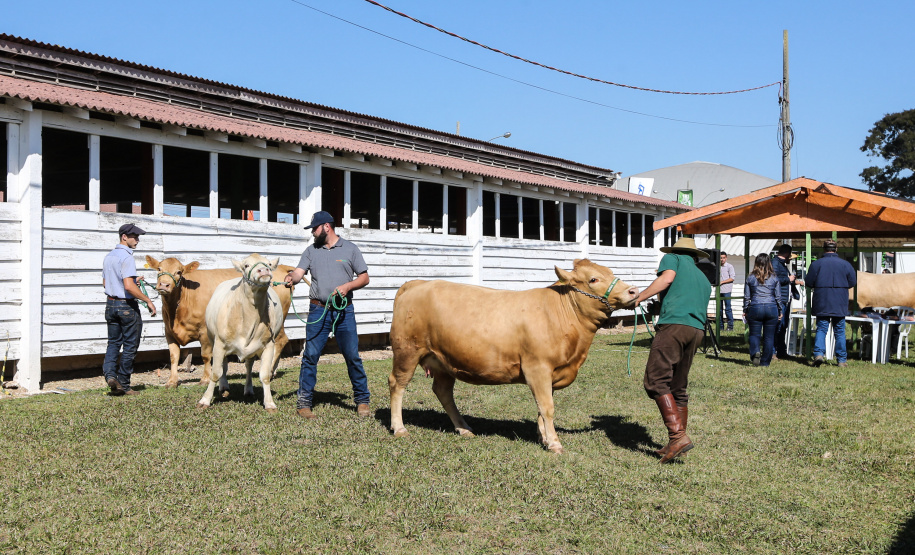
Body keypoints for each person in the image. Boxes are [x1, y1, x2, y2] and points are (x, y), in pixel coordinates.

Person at [285, 211, 371, 419]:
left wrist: (347, 286)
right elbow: (299, 272)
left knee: (352, 356)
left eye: (314, 228)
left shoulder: (350, 249)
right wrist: (292, 278)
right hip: (318, 310)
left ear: (326, 227)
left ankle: (362, 401)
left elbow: (364, 277)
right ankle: (304, 403)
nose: (313, 233)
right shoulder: (311, 251)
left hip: (344, 311)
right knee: (310, 356)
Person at [635, 237, 711, 463]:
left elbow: (667, 279)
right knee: (678, 386)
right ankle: (675, 442)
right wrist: (660, 306)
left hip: (674, 327)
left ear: (676, 252)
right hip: (696, 330)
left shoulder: (672, 258)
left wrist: (639, 297)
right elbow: (686, 300)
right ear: (696, 257)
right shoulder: (702, 277)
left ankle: (678, 437)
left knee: (656, 380)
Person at [102, 223, 157, 396]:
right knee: (130, 347)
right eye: (135, 237)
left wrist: (134, 280)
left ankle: (111, 376)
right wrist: (147, 300)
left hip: (110, 304)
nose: (138, 240)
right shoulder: (127, 257)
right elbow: (128, 286)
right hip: (126, 306)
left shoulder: (109, 256)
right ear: (124, 237)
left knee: (113, 343)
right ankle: (124, 385)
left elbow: (106, 283)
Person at [806, 240, 857, 368]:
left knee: (822, 328)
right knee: (839, 331)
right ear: (836, 249)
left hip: (822, 301)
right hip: (839, 302)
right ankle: (841, 360)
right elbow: (852, 282)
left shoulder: (816, 264)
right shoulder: (845, 264)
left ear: (824, 249)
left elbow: (809, 282)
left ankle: (818, 354)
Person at [743, 253, 783, 367]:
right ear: (769, 263)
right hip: (771, 307)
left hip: (755, 306)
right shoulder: (774, 277)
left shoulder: (750, 277)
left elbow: (747, 296)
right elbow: (778, 297)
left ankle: (755, 351)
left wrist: (745, 309)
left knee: (754, 334)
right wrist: (780, 311)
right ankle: (765, 362)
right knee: (769, 337)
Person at [772, 244, 803, 359]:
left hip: (786, 298)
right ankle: (773, 351)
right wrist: (788, 279)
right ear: (787, 254)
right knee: (777, 326)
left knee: (783, 326)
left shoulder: (782, 265)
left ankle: (781, 351)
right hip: (780, 299)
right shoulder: (775, 263)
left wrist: (792, 281)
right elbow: (772, 280)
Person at [718, 252, 736, 331]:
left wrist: (722, 282)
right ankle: (721, 327)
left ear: (726, 258)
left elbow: (732, 278)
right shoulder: (718, 267)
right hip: (719, 291)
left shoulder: (729, 266)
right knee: (719, 309)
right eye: (721, 258)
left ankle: (730, 326)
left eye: (723, 258)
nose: (722, 259)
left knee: (728, 309)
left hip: (727, 290)